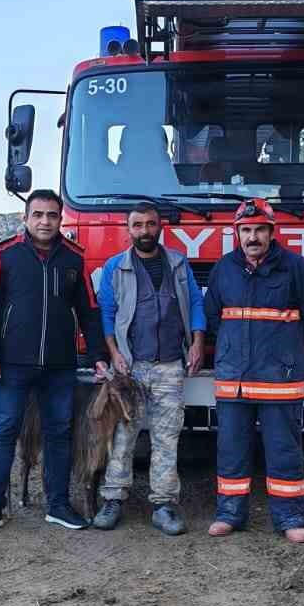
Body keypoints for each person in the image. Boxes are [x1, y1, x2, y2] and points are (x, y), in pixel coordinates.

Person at [0, 189, 109, 533]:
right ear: (25, 218)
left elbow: (89, 311)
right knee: (3, 432)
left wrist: (98, 356)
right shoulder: (5, 254)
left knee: (59, 433)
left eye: (52, 215)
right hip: (11, 365)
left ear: (61, 219)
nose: (45, 221)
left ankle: (58, 505)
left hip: (60, 367)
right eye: (38, 215)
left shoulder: (74, 258)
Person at [203, 198, 304, 544]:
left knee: (284, 451)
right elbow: (213, 315)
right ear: (237, 234)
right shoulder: (224, 269)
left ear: (272, 232)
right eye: (246, 230)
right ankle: (229, 514)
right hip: (234, 382)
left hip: (280, 381)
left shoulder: (294, 268)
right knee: (230, 450)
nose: (252, 236)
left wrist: (287, 349)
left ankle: (290, 519)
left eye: (259, 229)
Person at [92, 203, 205, 535]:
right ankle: (113, 499)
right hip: (131, 369)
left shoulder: (179, 264)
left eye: (150, 224)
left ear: (161, 227)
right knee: (123, 436)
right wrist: (114, 354)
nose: (145, 231)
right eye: (137, 225)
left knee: (166, 438)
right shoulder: (116, 267)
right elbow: (107, 315)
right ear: (129, 229)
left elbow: (196, 303)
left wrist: (197, 341)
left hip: (170, 365)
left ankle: (164, 504)